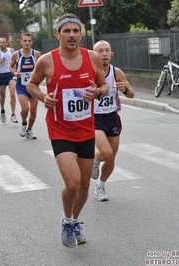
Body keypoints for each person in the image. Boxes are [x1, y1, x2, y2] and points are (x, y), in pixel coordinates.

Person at [26, 13, 109, 248]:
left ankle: (75, 221)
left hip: (85, 129)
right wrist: (44, 97)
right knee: (72, 183)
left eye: (75, 31)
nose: (71, 35)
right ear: (58, 35)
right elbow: (31, 84)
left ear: (80, 34)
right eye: (67, 31)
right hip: (60, 129)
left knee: (84, 185)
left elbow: (104, 85)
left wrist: (97, 93)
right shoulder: (47, 61)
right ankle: (66, 219)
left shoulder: (92, 58)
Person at [91, 40, 135, 201]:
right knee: (106, 152)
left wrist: (125, 90)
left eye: (106, 51)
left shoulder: (117, 73)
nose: (103, 54)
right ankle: (95, 159)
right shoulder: (89, 72)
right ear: (94, 54)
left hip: (112, 116)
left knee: (111, 157)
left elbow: (132, 94)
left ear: (111, 54)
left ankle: (100, 186)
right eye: (100, 51)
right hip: (94, 118)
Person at [9, 32, 41, 140]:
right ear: (21, 42)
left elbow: (42, 68)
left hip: (34, 86)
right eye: (25, 41)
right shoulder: (16, 54)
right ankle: (23, 123)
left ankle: (29, 130)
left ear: (32, 42)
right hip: (21, 86)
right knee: (25, 108)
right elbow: (10, 67)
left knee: (33, 110)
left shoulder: (36, 54)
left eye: (29, 41)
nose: (27, 43)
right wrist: (14, 73)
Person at [0, 37, 18, 123]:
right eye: (0, 43)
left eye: (3, 42)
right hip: (1, 75)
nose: (1, 44)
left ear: (7, 43)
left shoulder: (11, 51)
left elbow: (16, 60)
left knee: (13, 94)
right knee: (3, 97)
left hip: (10, 74)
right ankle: (2, 110)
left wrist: (16, 68)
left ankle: (13, 114)